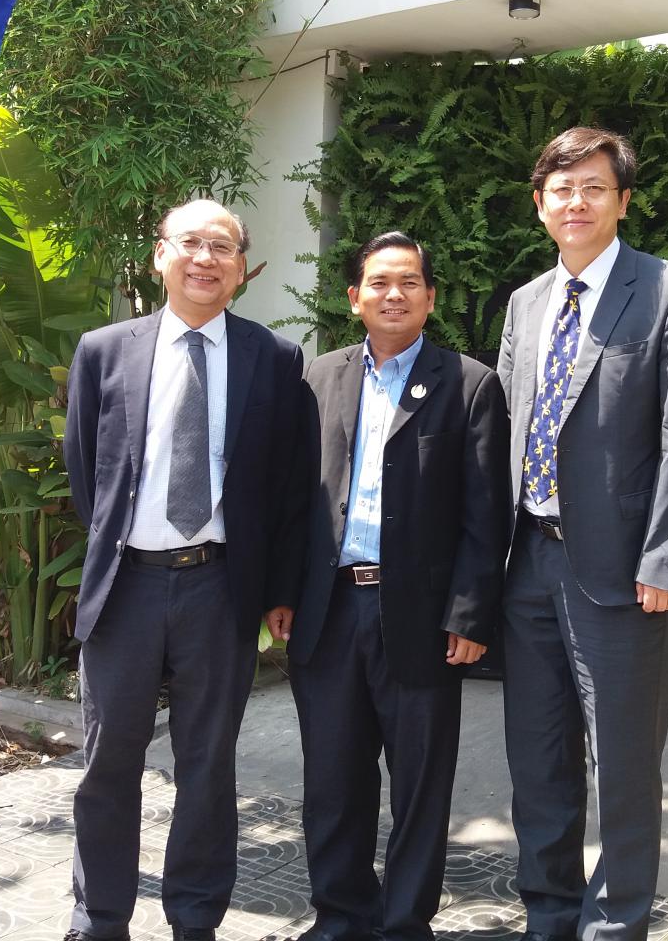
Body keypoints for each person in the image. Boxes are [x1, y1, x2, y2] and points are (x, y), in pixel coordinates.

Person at [62, 198, 311, 941]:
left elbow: (288, 486)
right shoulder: (105, 350)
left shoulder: (274, 358)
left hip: (219, 585)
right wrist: (123, 548)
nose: (206, 259)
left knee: (207, 765)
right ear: (160, 256)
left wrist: (278, 591)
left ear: (242, 269)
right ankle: (98, 918)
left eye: (222, 248)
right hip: (127, 586)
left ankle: (195, 920)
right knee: (108, 761)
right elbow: (87, 471)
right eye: (191, 243)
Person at [496, 128, 668, 941]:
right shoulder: (525, 301)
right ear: (540, 204)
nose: (576, 203)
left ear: (622, 201)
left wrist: (667, 559)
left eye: (593, 188)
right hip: (527, 561)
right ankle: (549, 917)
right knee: (537, 760)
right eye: (561, 189)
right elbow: (508, 429)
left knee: (622, 767)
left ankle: (615, 926)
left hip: (623, 573)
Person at [282, 231, 510, 941]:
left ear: (430, 298)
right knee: (333, 780)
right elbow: (294, 498)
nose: (394, 294)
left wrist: (469, 615)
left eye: (410, 282)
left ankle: (406, 923)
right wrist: (282, 593)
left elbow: (485, 514)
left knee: (419, 785)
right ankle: (341, 917)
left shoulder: (469, 383)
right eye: (379, 283)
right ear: (354, 298)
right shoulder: (319, 377)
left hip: (421, 616)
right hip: (329, 610)